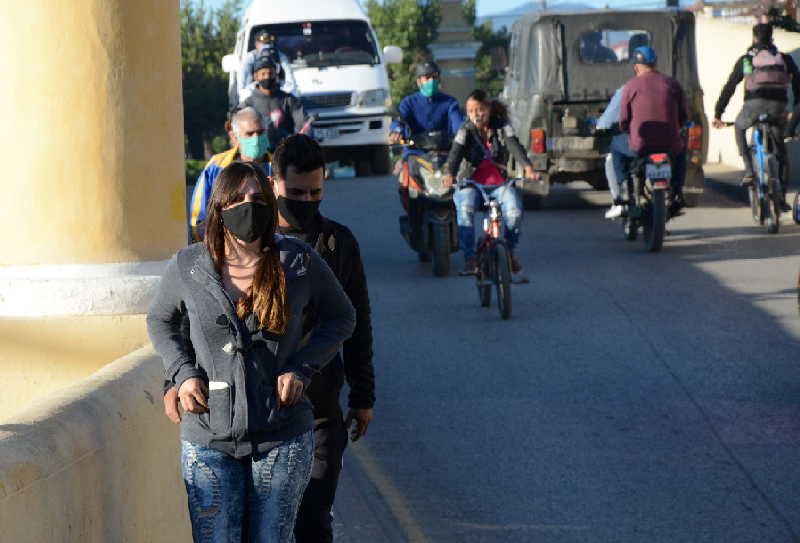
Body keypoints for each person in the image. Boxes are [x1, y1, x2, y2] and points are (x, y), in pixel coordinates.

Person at [164, 134, 375, 542]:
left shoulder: (334, 244)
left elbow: (355, 320)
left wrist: (363, 396)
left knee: (310, 524)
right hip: (229, 419)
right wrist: (176, 377)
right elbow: (190, 319)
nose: (306, 201)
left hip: (313, 411)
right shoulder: (213, 253)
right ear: (274, 185)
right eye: (296, 192)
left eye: (316, 192)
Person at [443, 90, 536, 275]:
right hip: (472, 185)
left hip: (501, 185)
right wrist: (450, 174)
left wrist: (528, 167)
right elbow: (455, 153)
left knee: (514, 212)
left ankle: (509, 252)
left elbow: (514, 145)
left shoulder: (503, 127)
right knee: (465, 211)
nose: (476, 114)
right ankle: (470, 258)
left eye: (480, 109)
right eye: (471, 111)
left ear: (490, 109)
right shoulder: (465, 130)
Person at [712, 23, 800, 210]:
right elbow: (798, 85)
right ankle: (782, 197)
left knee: (739, 127)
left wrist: (718, 113)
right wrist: (794, 112)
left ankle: (750, 171)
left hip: (753, 106)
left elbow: (730, 86)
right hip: (778, 107)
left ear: (754, 38)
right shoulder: (783, 58)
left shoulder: (747, 60)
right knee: (781, 154)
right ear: (772, 38)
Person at [619, 46, 689, 216]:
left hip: (641, 145)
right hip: (669, 143)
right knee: (681, 151)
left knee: (616, 148)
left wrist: (627, 130)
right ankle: (678, 190)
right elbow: (684, 116)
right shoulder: (672, 84)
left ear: (636, 66)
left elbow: (623, 120)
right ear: (655, 64)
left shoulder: (630, 86)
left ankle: (625, 188)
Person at [189, 107, 273, 242]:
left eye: (260, 132)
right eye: (250, 134)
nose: (256, 138)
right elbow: (199, 217)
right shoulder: (216, 167)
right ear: (235, 136)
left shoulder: (277, 167)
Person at [389, 61, 463, 211]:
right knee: (406, 185)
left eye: (434, 77)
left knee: (462, 183)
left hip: (445, 153)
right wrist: (396, 131)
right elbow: (399, 121)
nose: (431, 81)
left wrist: (465, 133)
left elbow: (459, 124)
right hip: (416, 154)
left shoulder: (450, 102)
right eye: (426, 78)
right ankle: (412, 217)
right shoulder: (408, 103)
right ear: (418, 81)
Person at [241, 55, 310, 151]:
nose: (267, 77)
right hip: (259, 153)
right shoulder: (248, 103)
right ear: (256, 76)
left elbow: (304, 123)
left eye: (270, 73)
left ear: (276, 75)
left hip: (285, 153)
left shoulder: (288, 99)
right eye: (263, 74)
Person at [596, 85, 628, 219]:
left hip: (638, 143)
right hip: (666, 142)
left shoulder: (626, 90)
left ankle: (619, 201)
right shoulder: (668, 85)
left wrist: (601, 126)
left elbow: (606, 121)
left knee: (611, 158)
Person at [238, 30, 285, 95]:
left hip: (277, 92)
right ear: (256, 44)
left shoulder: (280, 56)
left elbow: (289, 80)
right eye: (264, 44)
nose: (267, 46)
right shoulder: (250, 57)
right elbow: (242, 82)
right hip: (255, 94)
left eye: (269, 44)